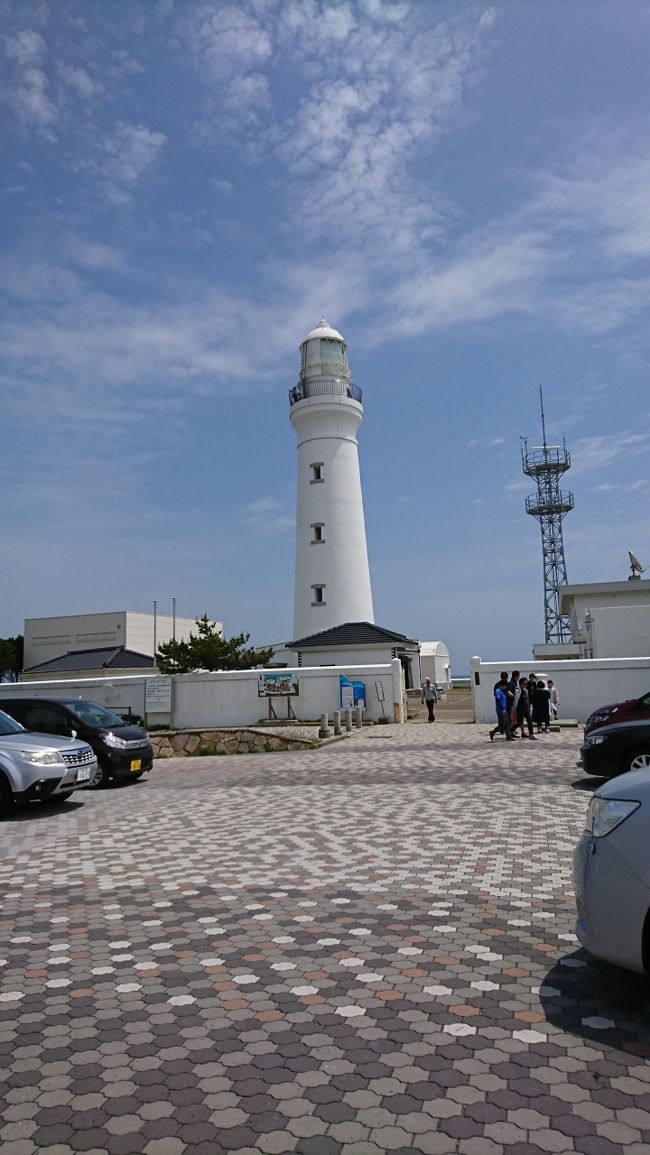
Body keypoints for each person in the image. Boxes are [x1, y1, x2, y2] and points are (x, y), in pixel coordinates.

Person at [490, 676, 514, 741]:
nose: (506, 688)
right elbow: (498, 700)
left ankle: (508, 737)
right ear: (503, 686)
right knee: (503, 724)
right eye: (505, 687)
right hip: (500, 710)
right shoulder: (498, 691)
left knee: (506, 723)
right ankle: (493, 732)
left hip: (504, 709)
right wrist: (502, 709)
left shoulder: (502, 691)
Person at [516, 676, 536, 740]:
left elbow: (527, 700)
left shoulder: (526, 691)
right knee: (519, 722)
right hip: (520, 708)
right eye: (524, 684)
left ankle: (531, 735)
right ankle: (510, 731)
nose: (525, 685)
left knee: (530, 721)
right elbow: (515, 700)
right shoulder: (518, 690)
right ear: (520, 684)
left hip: (526, 708)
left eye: (526, 684)